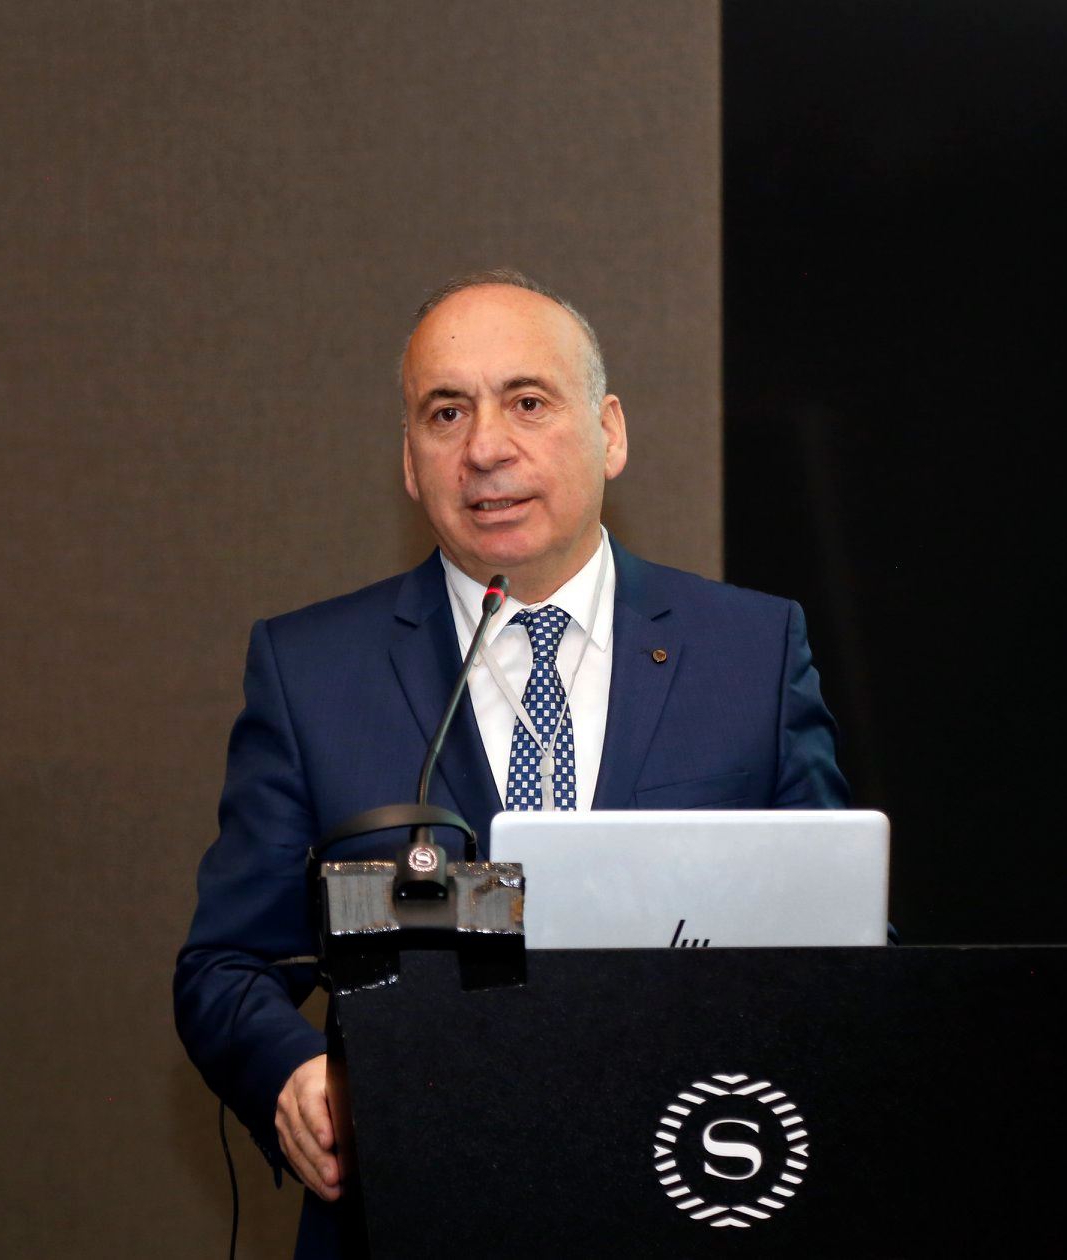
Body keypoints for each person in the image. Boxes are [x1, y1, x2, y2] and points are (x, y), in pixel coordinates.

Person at [174, 269, 849, 1257]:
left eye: (527, 402)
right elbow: (225, 965)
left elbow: (843, 938)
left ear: (609, 432)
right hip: (411, 1211)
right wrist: (292, 1074)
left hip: (696, 1195)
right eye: (446, 413)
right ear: (411, 463)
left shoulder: (750, 652)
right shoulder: (312, 673)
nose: (485, 447)